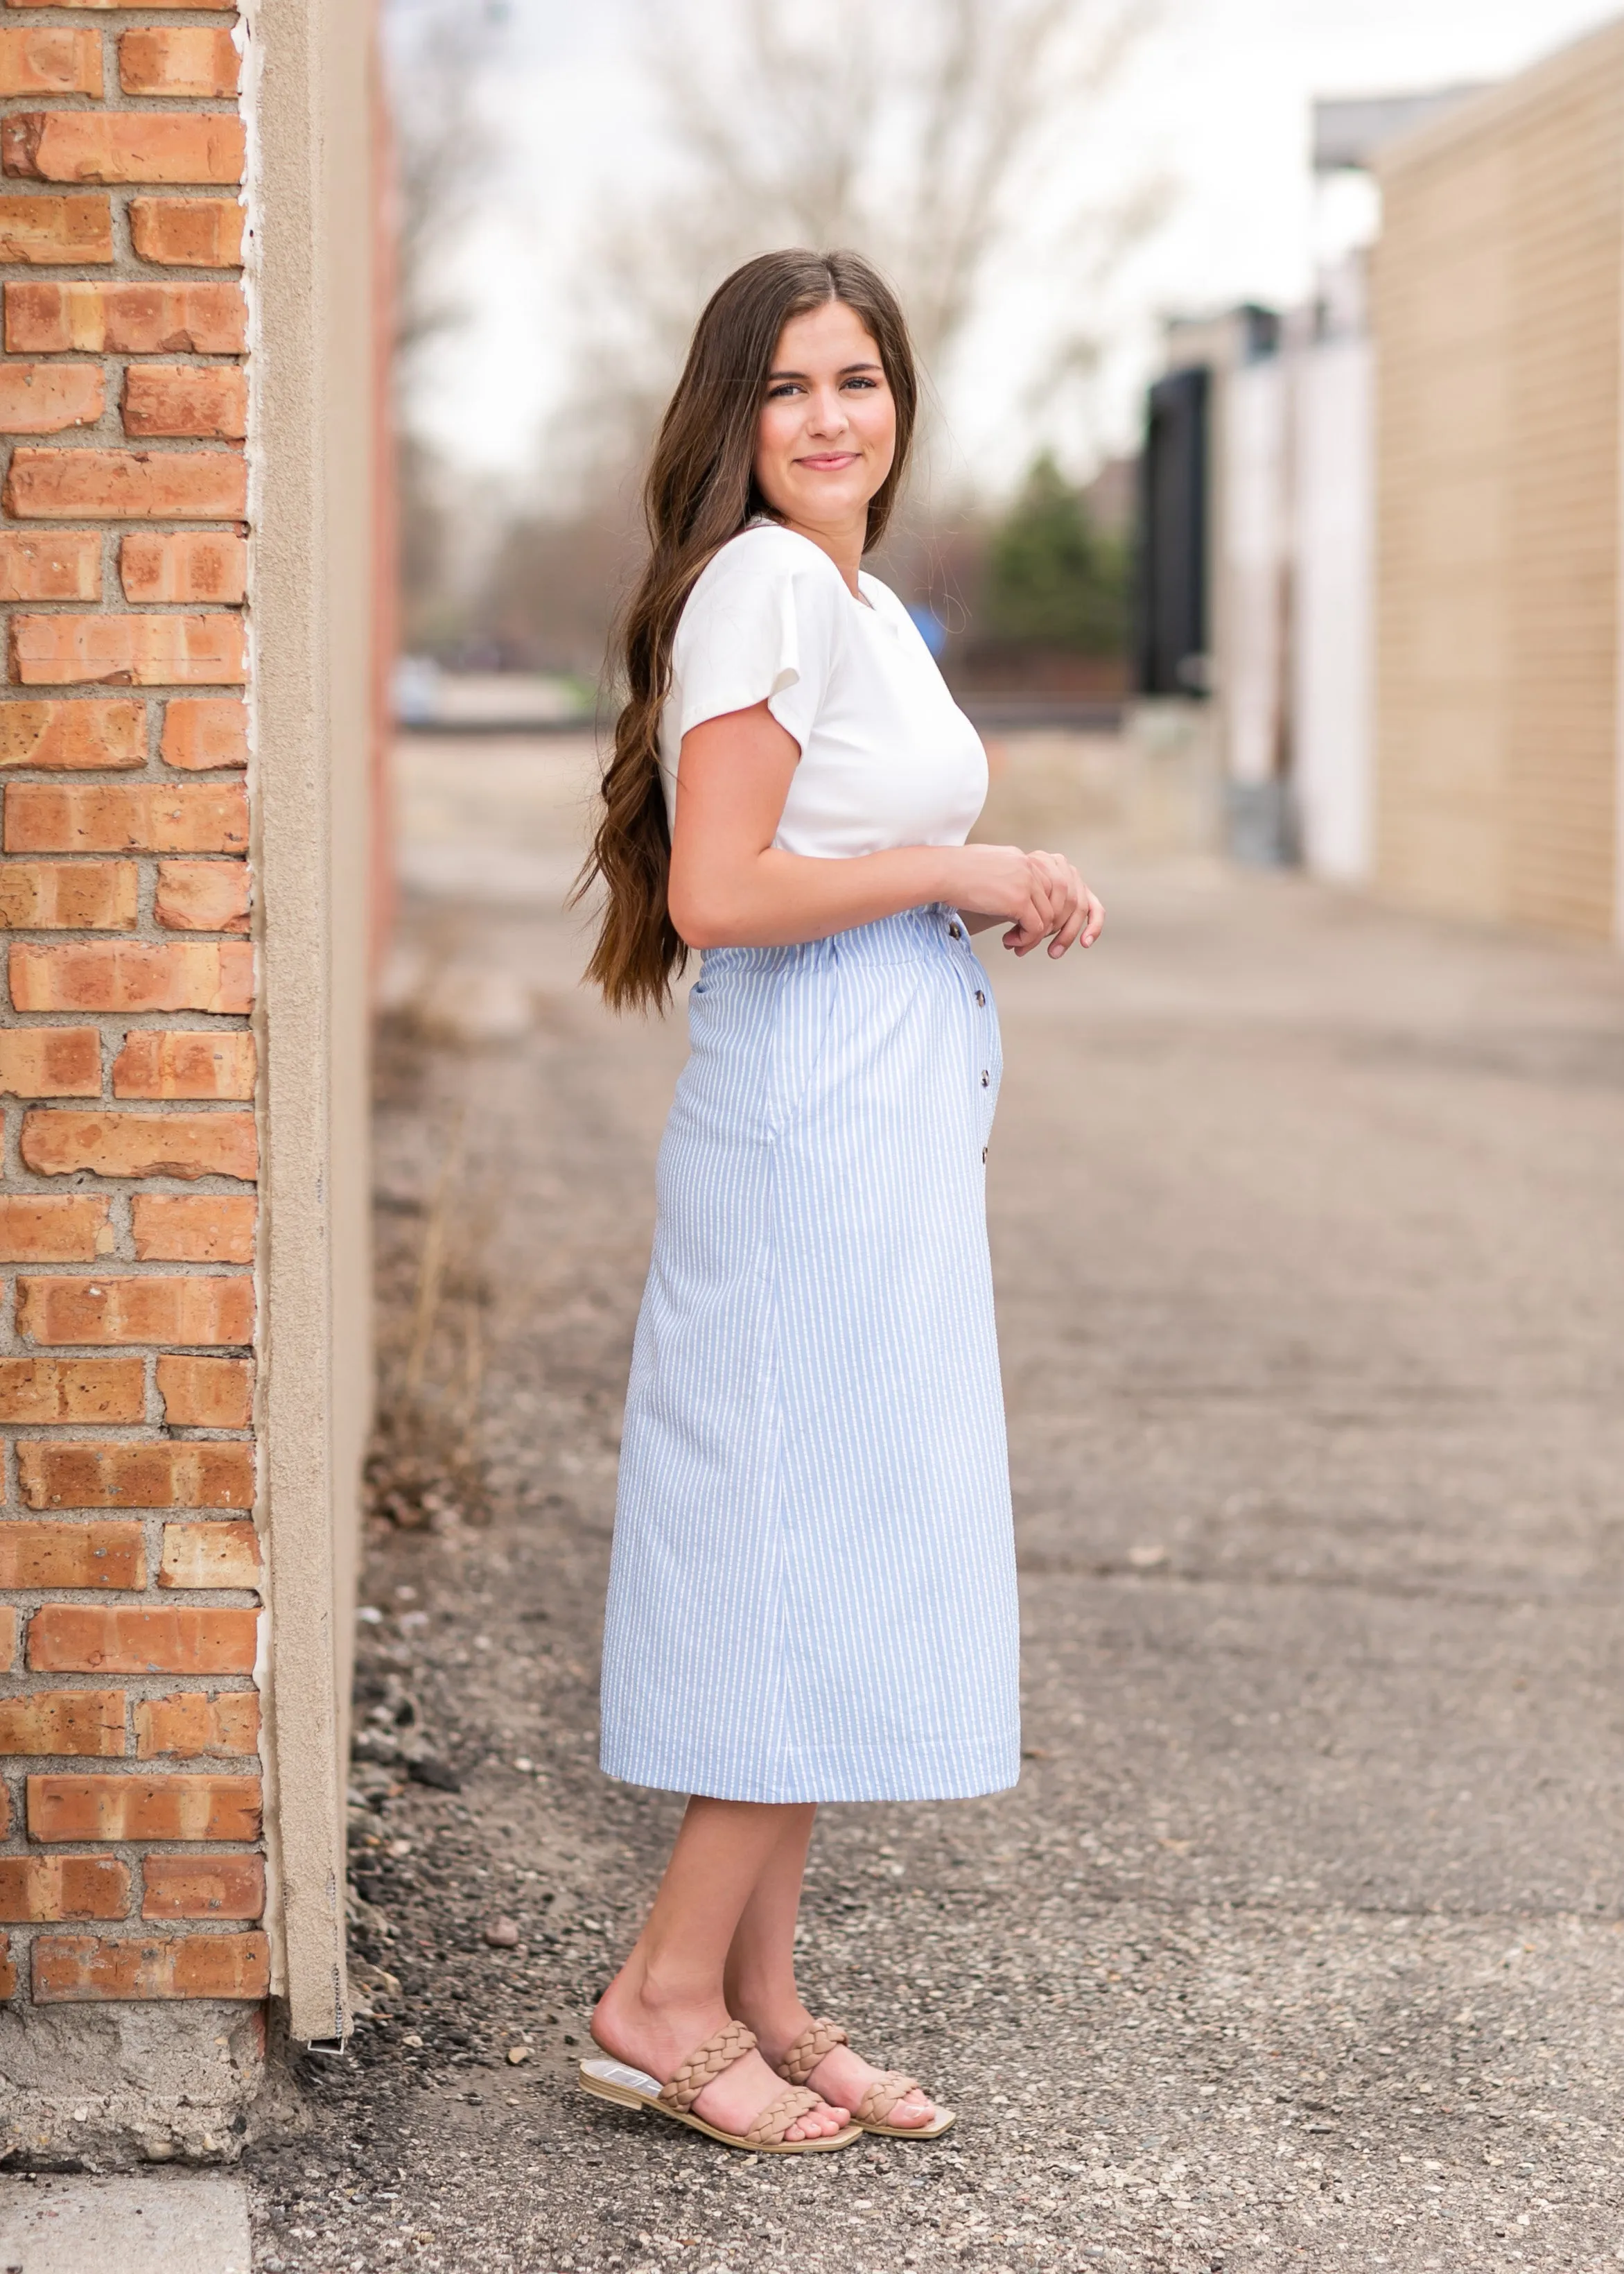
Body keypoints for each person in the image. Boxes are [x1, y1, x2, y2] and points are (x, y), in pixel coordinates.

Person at [573, 248, 1103, 2155]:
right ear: (738, 415)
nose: (828, 415)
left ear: (898, 401)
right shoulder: (770, 587)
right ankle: (655, 1995)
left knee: (839, 1535)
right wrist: (957, 859)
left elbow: (831, 851)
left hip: (873, 1129)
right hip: (808, 1135)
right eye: (789, 384)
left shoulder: (856, 600)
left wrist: (971, 881)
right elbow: (721, 895)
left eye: (858, 378)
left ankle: (759, 1997)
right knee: (796, 1558)